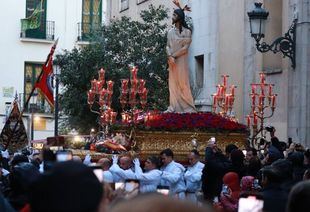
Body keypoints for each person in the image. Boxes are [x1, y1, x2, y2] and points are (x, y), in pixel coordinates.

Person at [165, 7, 196, 113]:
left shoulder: (187, 32)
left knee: (183, 83)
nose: (172, 17)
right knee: (172, 84)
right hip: (172, 61)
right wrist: (169, 56)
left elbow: (185, 48)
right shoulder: (170, 32)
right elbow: (167, 46)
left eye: (174, 15)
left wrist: (173, 55)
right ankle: (173, 106)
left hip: (181, 61)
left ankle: (188, 107)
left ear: (179, 17)